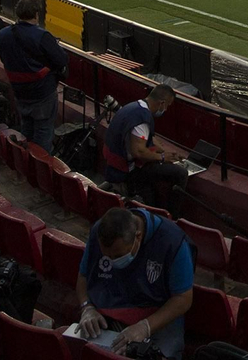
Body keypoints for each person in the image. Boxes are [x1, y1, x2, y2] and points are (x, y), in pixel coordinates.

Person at [72, 207, 193, 359]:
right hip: (111, 308)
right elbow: (83, 276)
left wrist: (145, 327)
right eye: (107, 256)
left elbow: (183, 298)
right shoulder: (98, 232)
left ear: (138, 236)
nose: (112, 261)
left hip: (159, 314)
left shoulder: (173, 242)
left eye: (118, 255)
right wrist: (87, 307)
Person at [0, 0, 68, 152]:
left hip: (19, 90)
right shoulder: (41, 36)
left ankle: (25, 159)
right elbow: (61, 60)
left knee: (26, 129)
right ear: (36, 14)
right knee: (43, 132)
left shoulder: (2, 34)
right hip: (42, 92)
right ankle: (39, 164)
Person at [102, 84, 187, 217]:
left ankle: (157, 207)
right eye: (167, 106)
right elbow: (139, 152)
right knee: (181, 173)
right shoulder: (142, 117)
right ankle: (172, 216)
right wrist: (162, 158)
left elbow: (148, 139)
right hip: (126, 170)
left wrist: (164, 152)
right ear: (162, 103)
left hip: (114, 161)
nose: (166, 109)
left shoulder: (134, 107)